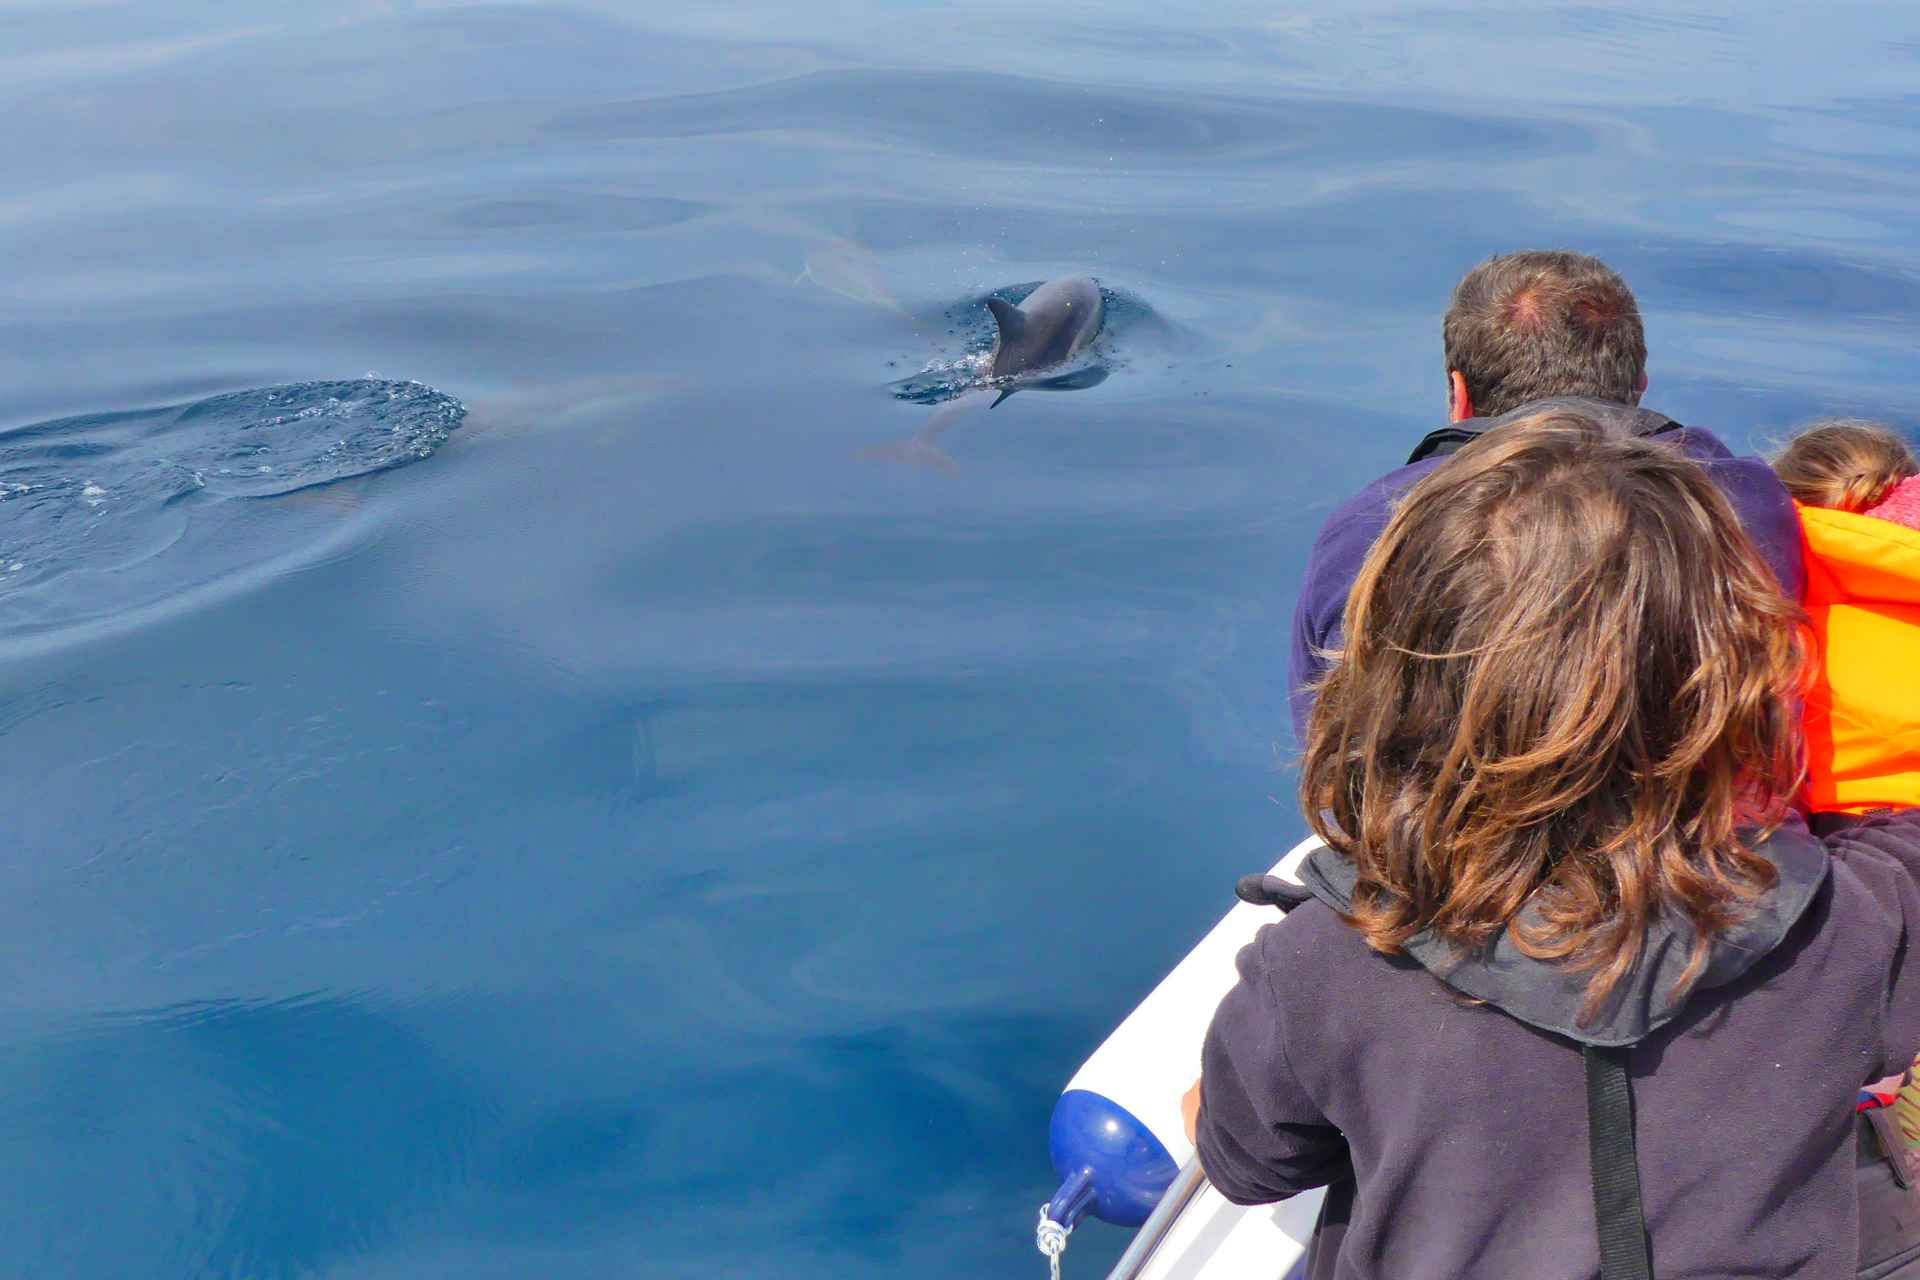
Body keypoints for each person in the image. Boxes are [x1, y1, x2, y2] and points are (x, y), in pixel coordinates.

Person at [1195, 413, 1920, 1279]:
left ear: (1394, 684)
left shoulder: (1318, 966)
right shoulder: (1855, 920)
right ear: (1734, 681)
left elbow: (1246, 1161)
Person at [1287, 250, 1804, 746]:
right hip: (1693, 822)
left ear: (1459, 395)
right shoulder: (1750, 500)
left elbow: (1327, 733)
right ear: (1639, 386)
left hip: (1434, 827)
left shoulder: (1369, 528)